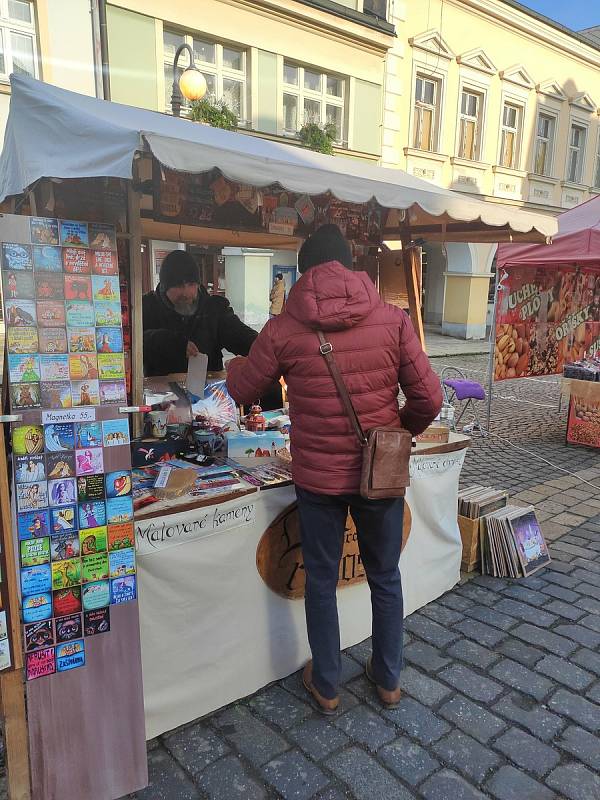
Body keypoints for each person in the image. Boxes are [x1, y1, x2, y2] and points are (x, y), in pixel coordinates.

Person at [226, 224, 442, 714]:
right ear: (351, 266)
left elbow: (241, 390)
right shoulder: (392, 318)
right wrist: (396, 434)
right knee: (385, 575)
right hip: (378, 476)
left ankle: (326, 685)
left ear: (304, 273)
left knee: (321, 579)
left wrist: (237, 366)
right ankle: (387, 680)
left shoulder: (283, 327)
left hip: (319, 480)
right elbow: (429, 397)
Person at [142, 250, 258, 376]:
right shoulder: (147, 307)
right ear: (165, 287)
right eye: (178, 285)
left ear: (198, 284)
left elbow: (240, 335)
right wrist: (170, 342)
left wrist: (266, 348)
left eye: (191, 284)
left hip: (209, 391)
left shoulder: (215, 308)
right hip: (161, 392)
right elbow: (135, 343)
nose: (185, 293)